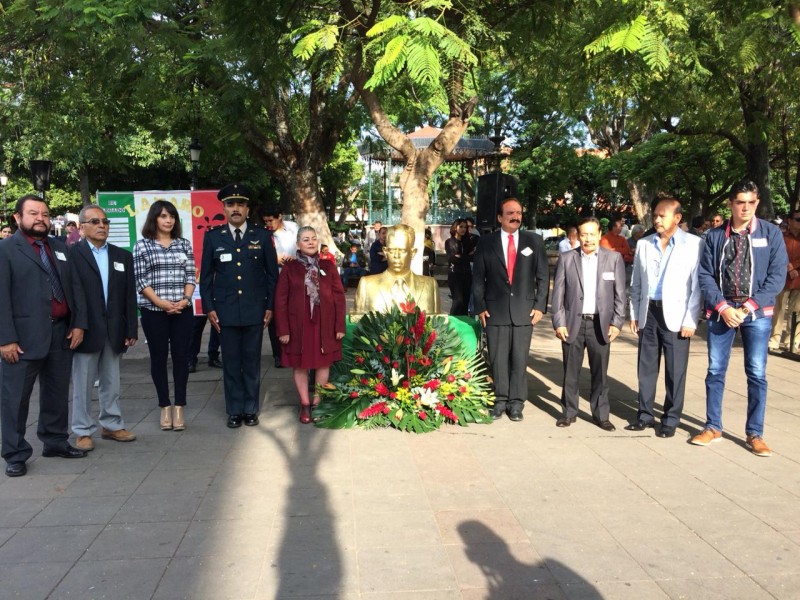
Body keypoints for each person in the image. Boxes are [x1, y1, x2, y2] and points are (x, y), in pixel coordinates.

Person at [692, 179, 787, 457]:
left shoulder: (770, 234)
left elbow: (776, 276)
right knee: (715, 371)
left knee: (756, 373)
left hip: (756, 313)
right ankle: (713, 426)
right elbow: (705, 274)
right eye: (740, 202)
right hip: (722, 312)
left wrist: (748, 308)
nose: (745, 207)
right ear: (730, 204)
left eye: (751, 202)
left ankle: (755, 433)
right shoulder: (714, 236)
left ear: (756, 203)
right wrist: (723, 307)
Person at [0, 194, 89, 477]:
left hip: (61, 333)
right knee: (15, 399)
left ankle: (54, 441)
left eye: (45, 214)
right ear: (17, 218)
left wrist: (78, 324)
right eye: (33, 213)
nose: (41, 218)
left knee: (56, 392)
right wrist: (5, 339)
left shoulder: (59, 247)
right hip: (22, 339)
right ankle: (15, 453)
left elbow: (74, 288)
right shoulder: (6, 250)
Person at [201, 184, 278, 428]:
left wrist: (270, 305)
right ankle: (234, 410)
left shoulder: (262, 236)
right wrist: (209, 307)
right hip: (226, 311)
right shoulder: (213, 237)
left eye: (240, 204)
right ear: (224, 208)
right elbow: (206, 277)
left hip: (255, 310)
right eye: (231, 204)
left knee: (252, 361)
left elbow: (271, 275)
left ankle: (251, 408)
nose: (236, 209)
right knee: (232, 362)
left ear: (247, 209)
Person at [626, 199, 702, 438]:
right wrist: (635, 312)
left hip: (677, 316)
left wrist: (691, 320)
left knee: (675, 371)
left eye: (662, 216)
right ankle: (645, 415)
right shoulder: (645, 244)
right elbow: (636, 281)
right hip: (649, 312)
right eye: (655, 215)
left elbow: (697, 287)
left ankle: (670, 418)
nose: (657, 220)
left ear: (677, 218)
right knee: (646, 368)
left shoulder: (694, 244)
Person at [472, 198, 549, 422]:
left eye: (518, 213)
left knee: (519, 358)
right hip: (494, 311)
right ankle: (500, 400)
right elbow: (478, 278)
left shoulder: (533, 241)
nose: (516, 217)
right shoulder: (486, 243)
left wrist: (540, 306)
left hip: (525, 311)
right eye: (510, 213)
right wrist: (480, 306)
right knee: (497, 359)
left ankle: (516, 403)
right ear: (499, 217)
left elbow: (543, 276)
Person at [69, 205, 138, 451]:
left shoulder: (122, 256)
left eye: (105, 221)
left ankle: (111, 424)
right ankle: (82, 430)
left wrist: (131, 328)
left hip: (114, 329)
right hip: (86, 329)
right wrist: (77, 325)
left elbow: (129, 296)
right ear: (82, 227)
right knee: (83, 383)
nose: (102, 226)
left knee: (112, 382)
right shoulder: (71, 255)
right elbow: (72, 295)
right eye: (95, 221)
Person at [551, 217, 626, 431]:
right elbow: (558, 294)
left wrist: (617, 322)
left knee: (600, 373)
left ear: (600, 234)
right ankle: (569, 412)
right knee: (570, 372)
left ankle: (601, 415)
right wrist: (559, 322)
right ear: (578, 235)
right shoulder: (567, 258)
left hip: (600, 325)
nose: (588, 238)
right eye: (584, 234)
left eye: (592, 234)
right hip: (573, 323)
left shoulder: (613, 259)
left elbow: (620, 295)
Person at [133, 200, 196, 432]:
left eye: (171, 216)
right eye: (163, 216)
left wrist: (186, 300)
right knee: (158, 359)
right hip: (153, 312)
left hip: (182, 310)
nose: (168, 220)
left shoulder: (184, 245)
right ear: (154, 219)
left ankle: (179, 406)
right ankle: (164, 406)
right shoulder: (142, 246)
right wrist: (160, 303)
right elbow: (141, 280)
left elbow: (191, 276)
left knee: (182, 358)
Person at [275, 227, 346, 423]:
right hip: (298, 325)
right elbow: (280, 300)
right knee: (299, 364)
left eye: (314, 239)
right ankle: (305, 404)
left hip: (324, 325)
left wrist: (339, 325)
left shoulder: (328, 266)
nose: (311, 242)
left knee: (323, 362)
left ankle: (317, 402)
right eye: (305, 239)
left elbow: (339, 298)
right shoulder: (290, 268)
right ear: (298, 244)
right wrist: (283, 329)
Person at [355, 224, 440, 315]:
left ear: (412, 253)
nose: (396, 256)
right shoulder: (366, 285)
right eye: (391, 250)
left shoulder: (430, 285)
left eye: (402, 251)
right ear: (385, 252)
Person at [262, 205, 298, 368]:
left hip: (293, 274)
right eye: (266, 221)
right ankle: (278, 354)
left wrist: (295, 257)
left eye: (271, 220)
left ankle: (294, 349)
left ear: (280, 217)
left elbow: (303, 246)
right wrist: (273, 259)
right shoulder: (264, 235)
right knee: (275, 313)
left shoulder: (293, 228)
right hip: (273, 276)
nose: (269, 224)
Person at [769, 208, 800, 351]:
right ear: (790, 221)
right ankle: (775, 339)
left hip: (798, 280)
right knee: (779, 309)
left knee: (797, 311)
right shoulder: (781, 236)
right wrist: (789, 268)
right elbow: (778, 253)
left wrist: (794, 267)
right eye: (798, 219)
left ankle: (792, 341)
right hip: (783, 279)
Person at [445, 218, 472, 316]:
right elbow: (453, 259)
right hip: (455, 275)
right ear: (455, 227)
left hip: (467, 275)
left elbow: (472, 257)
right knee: (458, 301)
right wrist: (466, 257)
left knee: (465, 303)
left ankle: (463, 326)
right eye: (461, 226)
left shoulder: (467, 242)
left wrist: (462, 256)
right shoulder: (450, 242)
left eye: (465, 227)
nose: (463, 229)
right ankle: (452, 323)